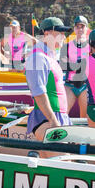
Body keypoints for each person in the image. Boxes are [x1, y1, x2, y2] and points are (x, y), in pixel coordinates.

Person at [25, 17, 72, 157]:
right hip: (48, 120)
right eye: (60, 32)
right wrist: (53, 121)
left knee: (54, 168)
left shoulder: (49, 56)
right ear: (47, 34)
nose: (64, 36)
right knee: (63, 164)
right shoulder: (38, 57)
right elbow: (39, 92)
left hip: (55, 118)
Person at [59, 16, 90, 118]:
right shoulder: (66, 46)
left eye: (82, 26)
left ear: (86, 28)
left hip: (85, 85)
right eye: (77, 26)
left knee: (84, 118)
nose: (80, 29)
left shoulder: (92, 45)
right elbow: (63, 65)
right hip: (70, 85)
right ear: (74, 28)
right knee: (62, 113)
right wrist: (79, 66)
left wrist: (72, 65)